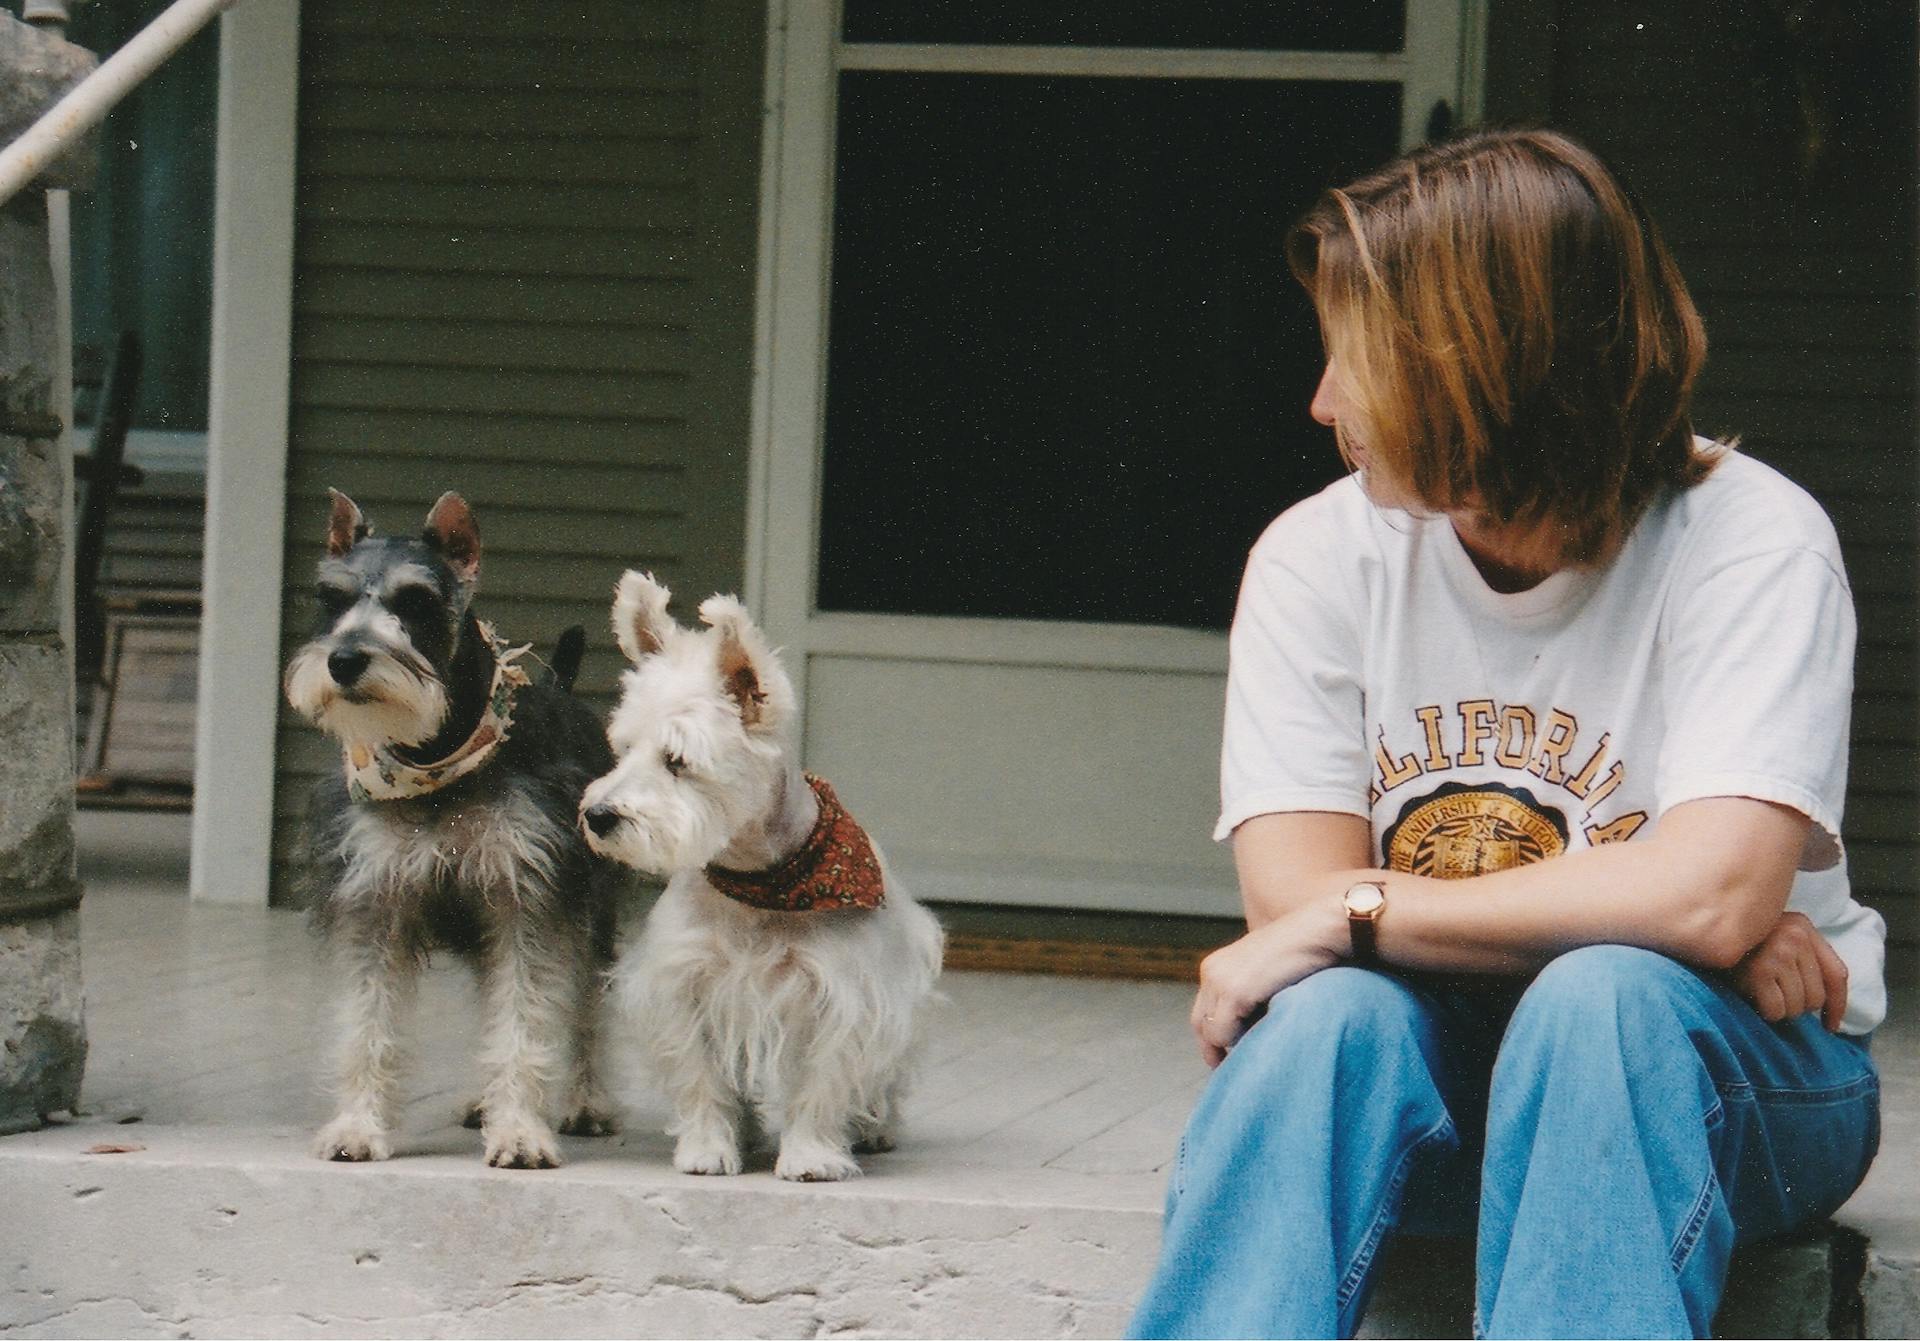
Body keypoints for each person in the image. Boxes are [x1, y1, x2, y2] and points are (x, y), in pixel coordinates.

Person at [1128, 127, 1884, 1340]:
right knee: (1329, 1019)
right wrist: (1678, 919)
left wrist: (1363, 912)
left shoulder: (1752, 546)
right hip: (1435, 1083)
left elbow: (1705, 901)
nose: (1320, 402)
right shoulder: (1320, 557)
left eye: (1353, 363)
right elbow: (1294, 904)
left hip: (1745, 1087)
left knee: (1607, 1007)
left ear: (1483, 367)